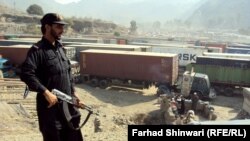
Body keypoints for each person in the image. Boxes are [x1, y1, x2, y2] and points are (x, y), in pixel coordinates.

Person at [20, 13, 84, 141]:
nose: (62, 30)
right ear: (47, 27)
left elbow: (67, 74)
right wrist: (46, 92)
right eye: (58, 27)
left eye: (62, 27)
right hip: (50, 111)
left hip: (68, 108)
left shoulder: (60, 48)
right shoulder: (37, 51)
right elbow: (26, 73)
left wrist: (74, 94)